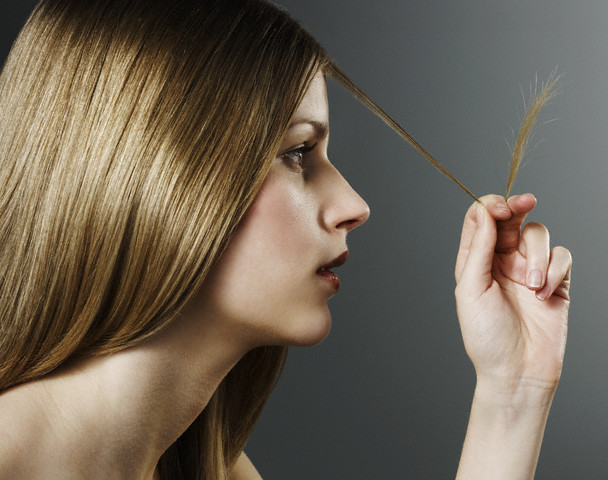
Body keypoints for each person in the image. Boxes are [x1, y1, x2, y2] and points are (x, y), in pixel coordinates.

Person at [0, 0, 572, 479]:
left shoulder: (212, 470)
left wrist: (514, 389)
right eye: (298, 153)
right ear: (152, 174)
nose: (356, 206)